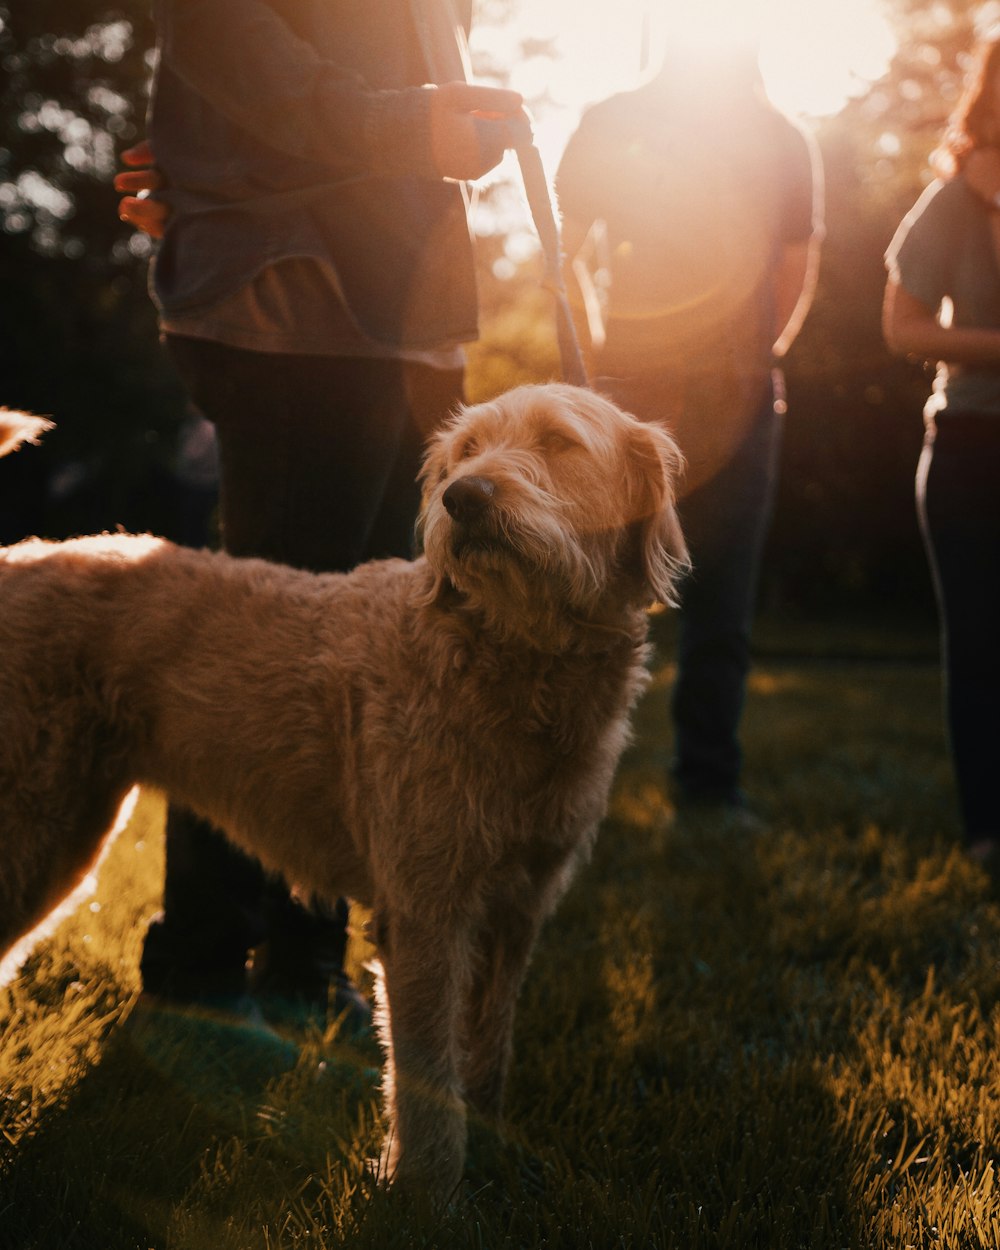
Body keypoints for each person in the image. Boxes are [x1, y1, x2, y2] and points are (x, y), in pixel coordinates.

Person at [115, 0, 523, 1031]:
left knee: (385, 658)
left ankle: (304, 964)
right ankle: (205, 970)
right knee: (264, 651)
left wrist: (439, 129)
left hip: (407, 309)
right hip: (292, 292)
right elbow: (232, 40)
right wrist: (233, 157)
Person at [554, 35, 823, 820]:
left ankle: (688, 781)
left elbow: (561, 256)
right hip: (643, 392)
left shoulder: (775, 138)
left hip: (672, 384)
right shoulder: (767, 136)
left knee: (618, 588)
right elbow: (796, 270)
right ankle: (690, 786)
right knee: (648, 591)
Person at [883, 35, 1000, 869]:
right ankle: (990, 833)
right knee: (981, 649)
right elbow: (901, 327)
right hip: (971, 449)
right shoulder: (953, 201)